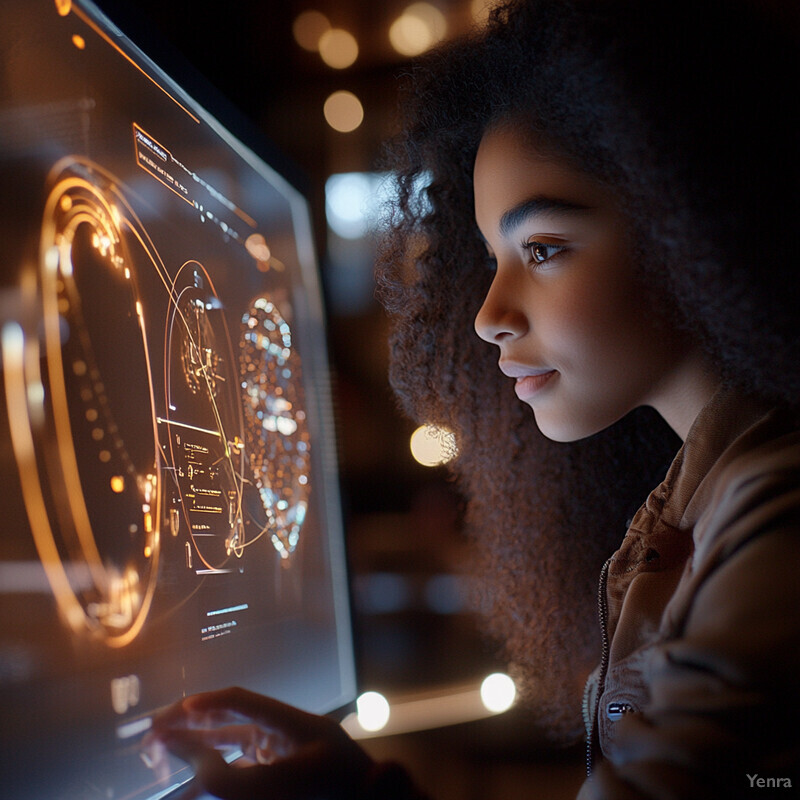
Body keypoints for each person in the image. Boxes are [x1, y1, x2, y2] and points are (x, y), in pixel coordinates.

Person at [149, 0, 800, 796]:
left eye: (544, 248)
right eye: (494, 256)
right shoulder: (702, 494)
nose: (490, 316)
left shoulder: (776, 513)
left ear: (694, 224)